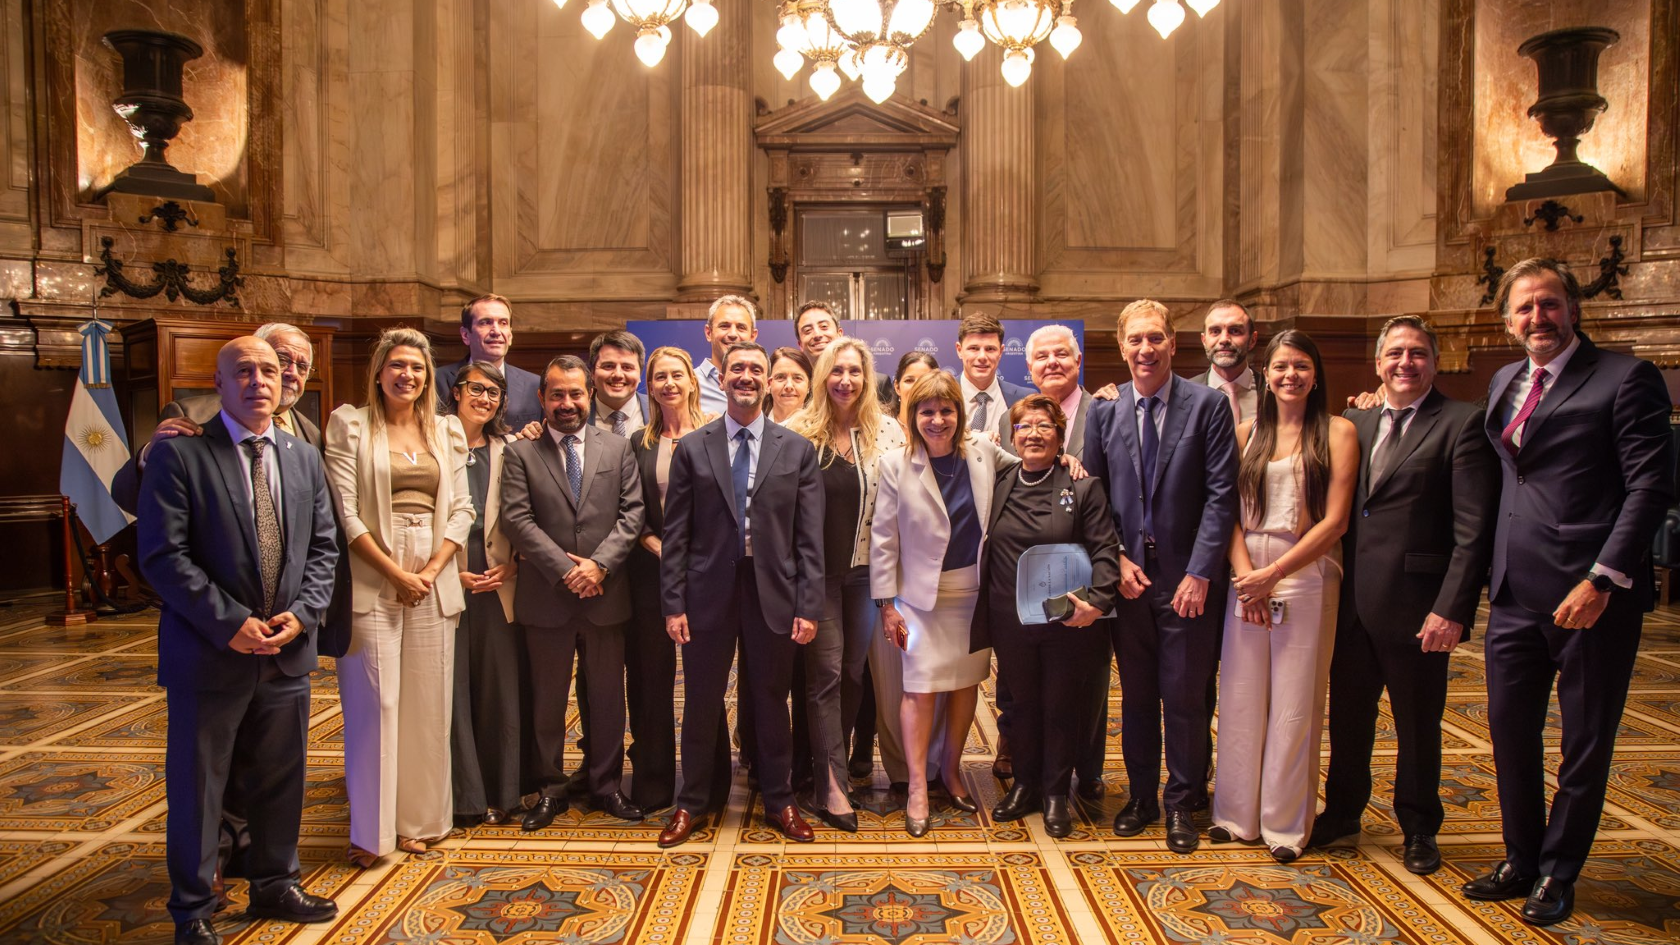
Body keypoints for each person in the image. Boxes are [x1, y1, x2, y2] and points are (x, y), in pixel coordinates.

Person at [1460, 259, 1673, 926]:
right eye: (1523, 308)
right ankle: (1521, 856)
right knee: (1508, 731)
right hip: (1515, 591)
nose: (1537, 318)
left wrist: (1603, 577)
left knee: (1584, 738)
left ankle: (1558, 870)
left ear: (1572, 309)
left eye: (1548, 304)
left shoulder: (1625, 378)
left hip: (1591, 597)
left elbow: (1649, 489)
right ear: (1507, 320)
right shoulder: (1502, 381)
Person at [112, 322, 335, 904]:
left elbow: (323, 548)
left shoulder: (304, 456)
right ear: (217, 384)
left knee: (280, 782)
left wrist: (304, 615)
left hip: (286, 650)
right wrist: (228, 622)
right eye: (245, 370)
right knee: (200, 786)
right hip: (209, 652)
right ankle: (193, 907)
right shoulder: (180, 453)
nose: (261, 380)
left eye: (270, 370)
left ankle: (275, 884)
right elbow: (163, 556)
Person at [1313, 317, 1497, 874]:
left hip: (1419, 607)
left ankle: (1419, 825)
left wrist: (1453, 608)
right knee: (1348, 716)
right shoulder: (1353, 422)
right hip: (1349, 604)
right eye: (1395, 353)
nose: (1405, 363)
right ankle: (1344, 809)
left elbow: (1473, 529)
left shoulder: (1462, 423)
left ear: (1434, 363)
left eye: (1417, 353)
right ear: (1377, 363)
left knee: (1418, 722)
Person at [1084, 299, 1239, 854]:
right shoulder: (1104, 412)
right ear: (1121, 347)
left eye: (1155, 339)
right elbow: (1092, 502)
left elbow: (1223, 497)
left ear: (1174, 343)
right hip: (1127, 583)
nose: (1145, 350)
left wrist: (1200, 573)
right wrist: (1116, 561)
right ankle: (1142, 798)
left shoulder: (1208, 407)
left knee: (1185, 697)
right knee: (1138, 697)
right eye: (1135, 341)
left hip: (1186, 582)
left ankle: (1182, 803)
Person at [657, 342, 824, 848]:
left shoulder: (795, 448)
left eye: (757, 368)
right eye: (738, 369)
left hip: (772, 590)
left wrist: (808, 604)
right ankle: (691, 804)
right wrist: (673, 603)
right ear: (722, 378)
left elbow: (808, 537)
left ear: (770, 380)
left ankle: (780, 799)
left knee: (771, 700)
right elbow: (677, 535)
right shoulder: (693, 446)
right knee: (702, 699)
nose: (747, 376)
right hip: (708, 591)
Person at [325, 328, 474, 867]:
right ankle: (372, 831)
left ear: (428, 375)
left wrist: (432, 570)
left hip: (435, 574)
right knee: (376, 703)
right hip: (374, 570)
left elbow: (462, 509)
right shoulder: (349, 424)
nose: (406, 375)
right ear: (380, 371)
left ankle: (419, 823)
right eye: (397, 365)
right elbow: (345, 511)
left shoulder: (448, 431)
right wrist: (395, 573)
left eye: (416, 367)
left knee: (427, 705)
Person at [1209, 330, 1358, 863]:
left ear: (1315, 374)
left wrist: (1273, 573)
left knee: (1295, 704)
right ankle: (1234, 814)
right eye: (1279, 366)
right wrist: (1247, 575)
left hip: (1305, 572)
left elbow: (1336, 521)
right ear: (1265, 375)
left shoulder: (1337, 432)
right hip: (1245, 575)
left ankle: (1284, 824)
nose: (1289, 375)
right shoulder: (1246, 432)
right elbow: (1223, 511)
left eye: (1299, 366)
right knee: (1243, 697)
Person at [499, 356, 647, 830]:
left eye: (576, 394)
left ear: (591, 396)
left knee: (606, 699)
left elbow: (633, 514)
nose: (567, 403)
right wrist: (568, 571)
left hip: (606, 595)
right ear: (541, 398)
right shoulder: (520, 453)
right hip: (547, 597)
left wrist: (600, 566)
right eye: (557, 394)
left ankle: (606, 785)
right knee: (547, 701)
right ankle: (550, 789)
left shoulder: (618, 448)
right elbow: (517, 520)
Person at [973, 394, 1120, 838]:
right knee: (1021, 704)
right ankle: (1026, 785)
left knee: (1060, 705)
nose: (1033, 434)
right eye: (1024, 427)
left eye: (1044, 426)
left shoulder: (1082, 486)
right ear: (1010, 436)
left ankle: (1056, 793)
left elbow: (1105, 549)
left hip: (1065, 621)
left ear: (1059, 435)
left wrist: (1098, 601)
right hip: (1010, 618)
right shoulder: (998, 481)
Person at [872, 370, 1010, 836]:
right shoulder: (895, 463)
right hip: (918, 598)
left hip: (973, 595)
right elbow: (883, 538)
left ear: (959, 413)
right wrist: (886, 604)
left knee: (964, 686)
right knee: (919, 689)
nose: (937, 419)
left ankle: (951, 773)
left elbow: (1035, 462)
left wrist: (1070, 460)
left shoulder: (984, 453)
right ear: (912, 416)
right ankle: (915, 785)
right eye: (927, 411)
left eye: (946, 410)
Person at [785, 338, 906, 832]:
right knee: (827, 676)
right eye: (836, 372)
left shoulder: (889, 433)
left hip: (866, 575)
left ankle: (831, 767)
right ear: (821, 378)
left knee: (855, 674)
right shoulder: (795, 433)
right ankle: (831, 784)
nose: (845, 381)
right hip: (817, 577)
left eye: (855, 371)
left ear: (866, 377)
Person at [113, 323, 325, 515]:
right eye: (282, 360)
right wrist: (148, 457)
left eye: (302, 366)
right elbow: (140, 503)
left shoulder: (311, 435)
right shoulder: (190, 416)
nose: (291, 373)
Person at [625, 347, 710, 813]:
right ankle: (654, 784)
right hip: (649, 574)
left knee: (704, 680)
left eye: (678, 374)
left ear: (692, 382)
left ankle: (708, 782)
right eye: (660, 377)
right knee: (649, 678)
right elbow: (630, 508)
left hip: (704, 576)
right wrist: (659, 547)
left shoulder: (715, 434)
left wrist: (692, 556)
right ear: (649, 386)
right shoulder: (637, 442)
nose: (670, 383)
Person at [445, 362, 530, 828]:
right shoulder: (434, 442)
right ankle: (464, 797)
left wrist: (514, 563)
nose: (485, 398)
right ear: (456, 392)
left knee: (500, 691)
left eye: (494, 392)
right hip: (445, 580)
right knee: (453, 692)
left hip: (500, 580)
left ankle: (503, 791)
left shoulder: (508, 448)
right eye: (476, 389)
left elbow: (523, 513)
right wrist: (448, 573)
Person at [436, 294, 544, 431]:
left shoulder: (534, 386)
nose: (496, 331)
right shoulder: (437, 381)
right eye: (485, 322)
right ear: (465, 335)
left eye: (503, 323)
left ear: (510, 335)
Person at [957, 313, 1032, 444]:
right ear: (959, 350)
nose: (982, 356)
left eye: (990, 349)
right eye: (974, 348)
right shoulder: (938, 395)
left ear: (1001, 352)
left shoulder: (1025, 399)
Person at [1196, 300, 1260, 425]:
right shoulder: (1184, 394)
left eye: (1235, 331)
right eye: (1215, 331)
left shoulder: (1272, 392)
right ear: (1204, 340)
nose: (1224, 339)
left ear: (1252, 340)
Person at [694, 296, 759, 416]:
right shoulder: (689, 384)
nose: (733, 334)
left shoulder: (763, 385)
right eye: (724, 326)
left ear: (753, 336)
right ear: (709, 333)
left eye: (741, 327)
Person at [587, 330, 649, 435]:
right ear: (592, 372)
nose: (618, 375)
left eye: (627, 367)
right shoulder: (577, 416)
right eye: (608, 366)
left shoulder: (660, 412)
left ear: (640, 374)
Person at [884, 351, 938, 420]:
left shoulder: (942, 427)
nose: (916, 387)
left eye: (924, 380)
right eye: (909, 380)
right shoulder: (880, 427)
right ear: (897, 387)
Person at [767, 347, 813, 424]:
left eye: (797, 378)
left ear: (809, 385)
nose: (789, 386)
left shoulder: (820, 432)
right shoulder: (752, 424)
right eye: (780, 377)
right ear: (768, 383)